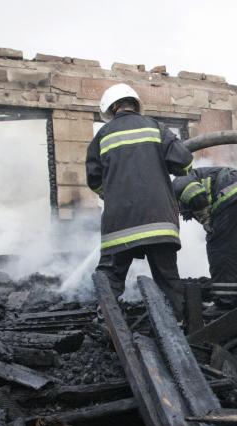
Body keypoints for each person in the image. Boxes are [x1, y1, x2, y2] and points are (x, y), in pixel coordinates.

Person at [86, 83, 193, 321]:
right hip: (159, 222)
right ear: (134, 104)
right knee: (168, 278)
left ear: (113, 108)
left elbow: (94, 181)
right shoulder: (157, 127)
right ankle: (179, 323)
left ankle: (106, 322)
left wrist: (112, 193)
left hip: (119, 225)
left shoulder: (102, 136)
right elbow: (184, 163)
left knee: (111, 277)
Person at [172, 167, 237, 316]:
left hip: (231, 195)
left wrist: (205, 219)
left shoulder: (176, 182)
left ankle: (225, 302)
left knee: (221, 248)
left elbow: (193, 193)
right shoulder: (201, 175)